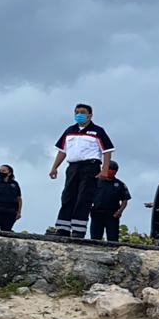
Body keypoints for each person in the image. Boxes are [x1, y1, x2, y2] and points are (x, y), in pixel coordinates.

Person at [49, 103, 115, 238]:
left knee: (84, 198)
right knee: (67, 196)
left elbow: (107, 151)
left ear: (90, 115)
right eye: (76, 112)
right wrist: (54, 167)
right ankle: (63, 228)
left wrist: (104, 169)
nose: (79, 115)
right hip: (73, 167)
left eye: (82, 112)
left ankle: (78, 229)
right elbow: (62, 151)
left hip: (90, 167)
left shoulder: (98, 131)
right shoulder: (69, 130)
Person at [89, 161, 131, 242]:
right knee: (95, 238)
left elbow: (125, 200)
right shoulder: (95, 181)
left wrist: (120, 211)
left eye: (113, 170)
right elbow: (87, 196)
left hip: (112, 214)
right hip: (97, 212)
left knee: (113, 239)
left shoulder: (120, 184)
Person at [0, 165, 21, 232]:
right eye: (0, 171)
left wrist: (19, 212)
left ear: (9, 173)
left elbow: (19, 198)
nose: (1, 172)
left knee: (6, 231)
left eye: (3, 171)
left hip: (11, 211)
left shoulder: (14, 184)